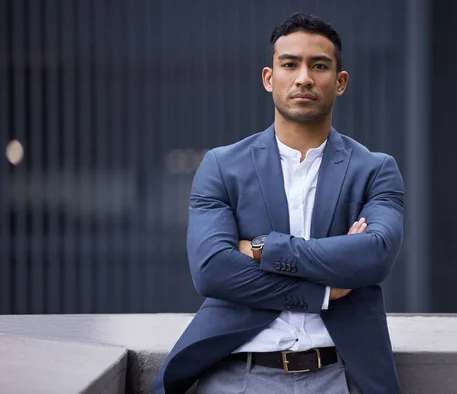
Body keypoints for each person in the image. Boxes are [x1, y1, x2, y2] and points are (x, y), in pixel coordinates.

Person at [151, 11, 405, 394]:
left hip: (342, 377)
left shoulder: (375, 170)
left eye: (319, 66)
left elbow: (374, 256)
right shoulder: (222, 167)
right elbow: (212, 270)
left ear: (340, 83)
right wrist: (322, 290)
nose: (304, 77)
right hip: (236, 376)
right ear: (269, 78)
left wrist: (262, 248)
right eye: (290, 64)